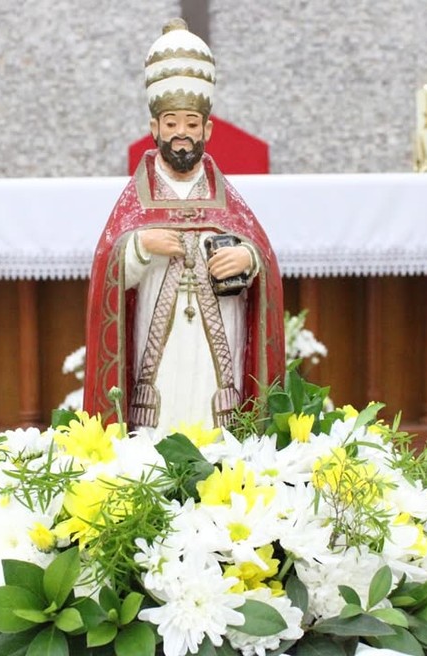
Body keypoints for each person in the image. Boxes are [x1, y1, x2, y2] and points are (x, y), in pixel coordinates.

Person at [83, 18, 284, 432]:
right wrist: (139, 247)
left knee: (214, 421)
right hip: (159, 349)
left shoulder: (227, 199)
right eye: (171, 123)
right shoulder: (135, 203)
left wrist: (246, 259)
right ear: (154, 128)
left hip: (219, 339)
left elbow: (260, 254)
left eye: (191, 125)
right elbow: (109, 266)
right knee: (165, 410)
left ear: (207, 129)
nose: (181, 134)